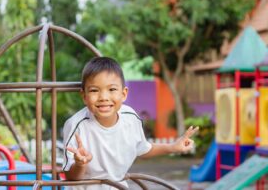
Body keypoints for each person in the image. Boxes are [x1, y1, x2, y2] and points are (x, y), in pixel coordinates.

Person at [62, 57, 198, 189]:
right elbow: (70, 176)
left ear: (124, 94)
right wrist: (80, 164)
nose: (103, 97)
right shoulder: (76, 125)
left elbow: (142, 148)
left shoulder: (130, 118)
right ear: (84, 96)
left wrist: (173, 147)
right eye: (94, 90)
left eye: (112, 89)